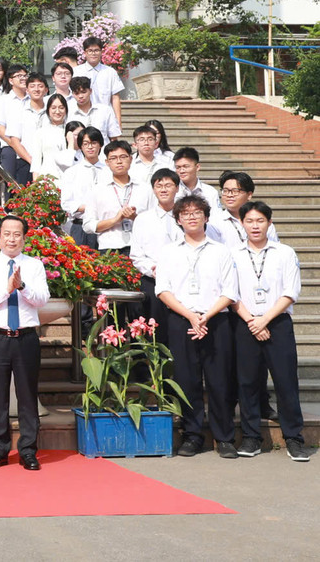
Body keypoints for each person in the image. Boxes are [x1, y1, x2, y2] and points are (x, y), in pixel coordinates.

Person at [156, 194, 239, 458]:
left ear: (206, 217)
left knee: (219, 380)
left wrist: (205, 316)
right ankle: (192, 435)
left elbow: (230, 291)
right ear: (178, 220)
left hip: (216, 321)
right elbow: (163, 290)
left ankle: (224, 437)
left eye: (197, 212)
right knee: (186, 380)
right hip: (181, 321)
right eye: (186, 213)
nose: (191, 217)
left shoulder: (221, 250)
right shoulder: (169, 252)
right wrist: (191, 316)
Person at [231, 201, 308, 462]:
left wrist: (264, 320)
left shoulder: (284, 252)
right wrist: (253, 321)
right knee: (248, 382)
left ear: (269, 223)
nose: (255, 225)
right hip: (245, 323)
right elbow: (231, 294)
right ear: (242, 224)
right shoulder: (233, 254)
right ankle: (252, 437)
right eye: (250, 221)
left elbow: (290, 292)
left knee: (286, 382)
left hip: (277, 323)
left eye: (260, 221)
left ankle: (294, 438)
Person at [0, 215, 49, 471]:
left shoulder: (35, 265)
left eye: (17, 234)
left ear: (24, 237)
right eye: (7, 233)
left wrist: (22, 286)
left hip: (26, 337)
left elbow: (42, 299)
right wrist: (7, 289)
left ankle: (28, 450)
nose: (11, 239)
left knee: (28, 396)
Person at [130, 169, 182, 327]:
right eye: (159, 186)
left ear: (178, 188)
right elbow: (136, 256)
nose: (164, 189)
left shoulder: (187, 216)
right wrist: (153, 269)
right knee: (156, 328)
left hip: (183, 280)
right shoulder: (143, 219)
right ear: (153, 189)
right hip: (153, 279)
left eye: (168, 185)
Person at [85, 141, 138, 254]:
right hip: (108, 248)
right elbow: (88, 225)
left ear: (131, 159)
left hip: (138, 248)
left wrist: (135, 218)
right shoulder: (97, 190)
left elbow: (153, 222)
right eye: (113, 158)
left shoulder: (145, 189)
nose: (119, 161)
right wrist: (115, 220)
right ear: (107, 162)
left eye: (123, 157)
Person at [72, 36, 124, 135]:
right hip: (81, 116)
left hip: (104, 118)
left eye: (96, 50)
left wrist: (118, 122)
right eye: (90, 50)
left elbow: (115, 98)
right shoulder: (76, 71)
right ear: (85, 52)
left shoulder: (110, 72)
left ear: (101, 52)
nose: (93, 53)